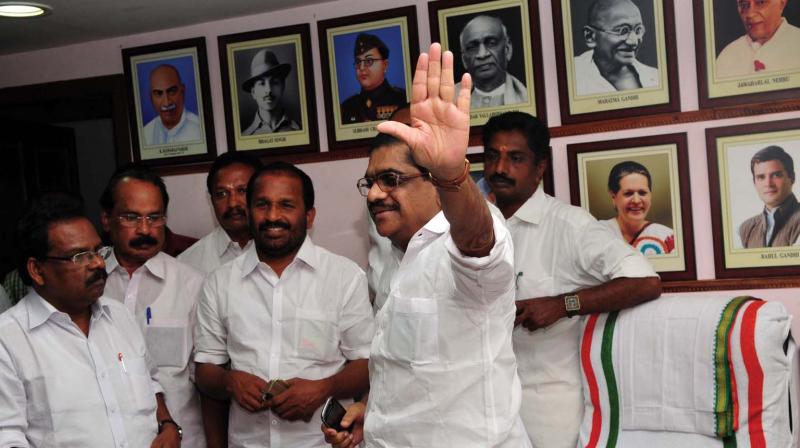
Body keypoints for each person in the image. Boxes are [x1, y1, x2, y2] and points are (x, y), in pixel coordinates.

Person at [324, 43, 530, 447]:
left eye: (392, 180)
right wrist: (373, 412)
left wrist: (452, 173)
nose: (374, 195)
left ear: (434, 182)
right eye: (370, 182)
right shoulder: (393, 254)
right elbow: (413, 371)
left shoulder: (470, 239)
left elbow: (477, 243)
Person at [481, 111, 661, 448]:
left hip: (546, 412)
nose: (500, 168)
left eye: (515, 158)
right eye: (492, 156)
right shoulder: (474, 228)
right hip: (484, 405)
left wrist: (564, 304)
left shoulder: (568, 225)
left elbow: (646, 281)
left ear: (540, 167)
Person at [194, 162, 374, 447]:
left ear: (309, 215)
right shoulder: (219, 283)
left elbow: (367, 364)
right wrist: (231, 381)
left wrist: (323, 388)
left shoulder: (344, 277)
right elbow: (205, 371)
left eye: (286, 205)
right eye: (262, 205)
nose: (273, 216)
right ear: (249, 211)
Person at [0, 193, 181, 447]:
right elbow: (7, 437)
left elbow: (150, 381)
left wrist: (168, 425)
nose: (97, 263)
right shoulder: (8, 340)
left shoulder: (118, 315)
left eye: (97, 251)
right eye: (79, 256)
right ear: (37, 270)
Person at [100, 165, 205, 447]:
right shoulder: (88, 284)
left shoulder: (191, 284)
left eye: (154, 218)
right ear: (107, 219)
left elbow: (206, 377)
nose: (145, 229)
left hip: (181, 439)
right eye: (131, 217)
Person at [179, 151, 263, 274]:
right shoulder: (188, 264)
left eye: (242, 190)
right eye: (221, 194)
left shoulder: (286, 249)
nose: (232, 203)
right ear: (212, 200)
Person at [574, 0, 659, 96]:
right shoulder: (571, 75)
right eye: (623, 31)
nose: (634, 41)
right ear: (590, 36)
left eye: (638, 30)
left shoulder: (655, 77)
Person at [600, 160, 675, 255]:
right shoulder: (598, 233)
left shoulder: (667, 237)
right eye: (628, 193)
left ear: (650, 196)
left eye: (642, 193)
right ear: (614, 197)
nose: (636, 200)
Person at [455, 14, 528, 108]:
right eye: (472, 47)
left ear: (507, 49)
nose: (482, 54)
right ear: (464, 59)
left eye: (491, 43)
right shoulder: (451, 100)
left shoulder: (526, 96)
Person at [716, 0, 800, 77]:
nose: (750, 14)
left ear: (781, 3)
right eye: (744, 5)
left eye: (760, 2)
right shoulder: (727, 55)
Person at [739, 145, 800, 247]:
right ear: (755, 183)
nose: (768, 184)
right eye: (761, 177)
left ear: (792, 178)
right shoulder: (746, 229)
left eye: (776, 175)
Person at [340, 33, 407, 124]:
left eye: (369, 61)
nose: (362, 67)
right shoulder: (346, 107)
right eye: (358, 62)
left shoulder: (403, 100)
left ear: (385, 65)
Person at [241, 49, 301, 135]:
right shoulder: (245, 137)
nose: (268, 90)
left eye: (274, 82)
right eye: (262, 83)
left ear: (283, 86)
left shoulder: (300, 130)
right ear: (253, 92)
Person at [142, 64, 203, 146]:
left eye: (172, 91)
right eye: (158, 94)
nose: (167, 103)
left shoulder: (200, 130)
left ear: (182, 91)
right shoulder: (145, 135)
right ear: (151, 98)